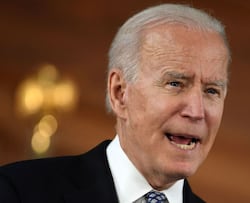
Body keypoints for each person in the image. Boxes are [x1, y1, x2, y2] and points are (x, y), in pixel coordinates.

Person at [0, 3, 231, 203]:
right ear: (120, 93)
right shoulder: (18, 191)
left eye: (211, 90)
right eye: (175, 84)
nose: (197, 111)